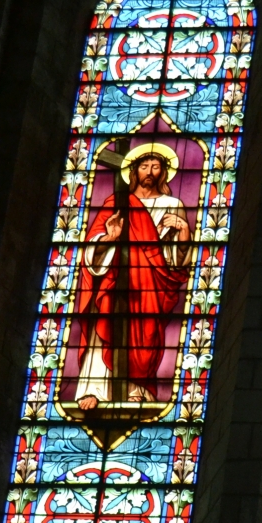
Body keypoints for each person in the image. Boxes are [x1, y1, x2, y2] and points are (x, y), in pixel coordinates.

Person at [75, 144, 191, 410]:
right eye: (143, 166)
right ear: (133, 170)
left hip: (151, 285)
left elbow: (177, 261)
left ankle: (136, 390)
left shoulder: (171, 205)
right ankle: (95, 390)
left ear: (163, 172)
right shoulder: (115, 202)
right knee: (105, 325)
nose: (149, 172)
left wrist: (183, 230)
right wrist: (110, 238)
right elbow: (91, 250)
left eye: (156, 167)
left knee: (145, 334)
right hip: (114, 279)